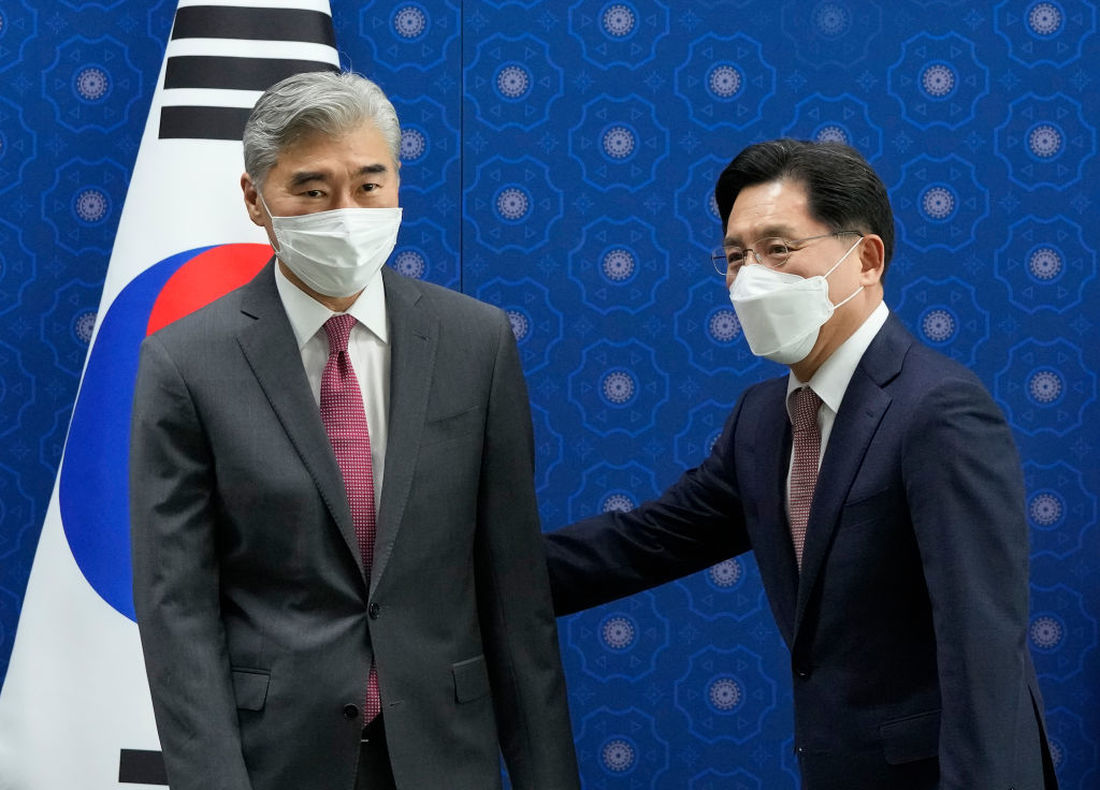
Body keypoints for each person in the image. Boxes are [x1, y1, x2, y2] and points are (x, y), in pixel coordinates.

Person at [544, 139, 1057, 790]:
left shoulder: (939, 411)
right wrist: (457, 575)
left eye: (778, 249)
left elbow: (983, 647)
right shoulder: (762, 418)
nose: (750, 278)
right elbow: (642, 543)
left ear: (866, 259)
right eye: (736, 257)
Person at [130, 70, 579, 790]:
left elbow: (514, 592)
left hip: (445, 752)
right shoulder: (186, 362)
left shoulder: (477, 342)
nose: (346, 212)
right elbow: (176, 607)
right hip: (276, 759)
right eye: (312, 191)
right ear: (254, 198)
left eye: (370, 185)